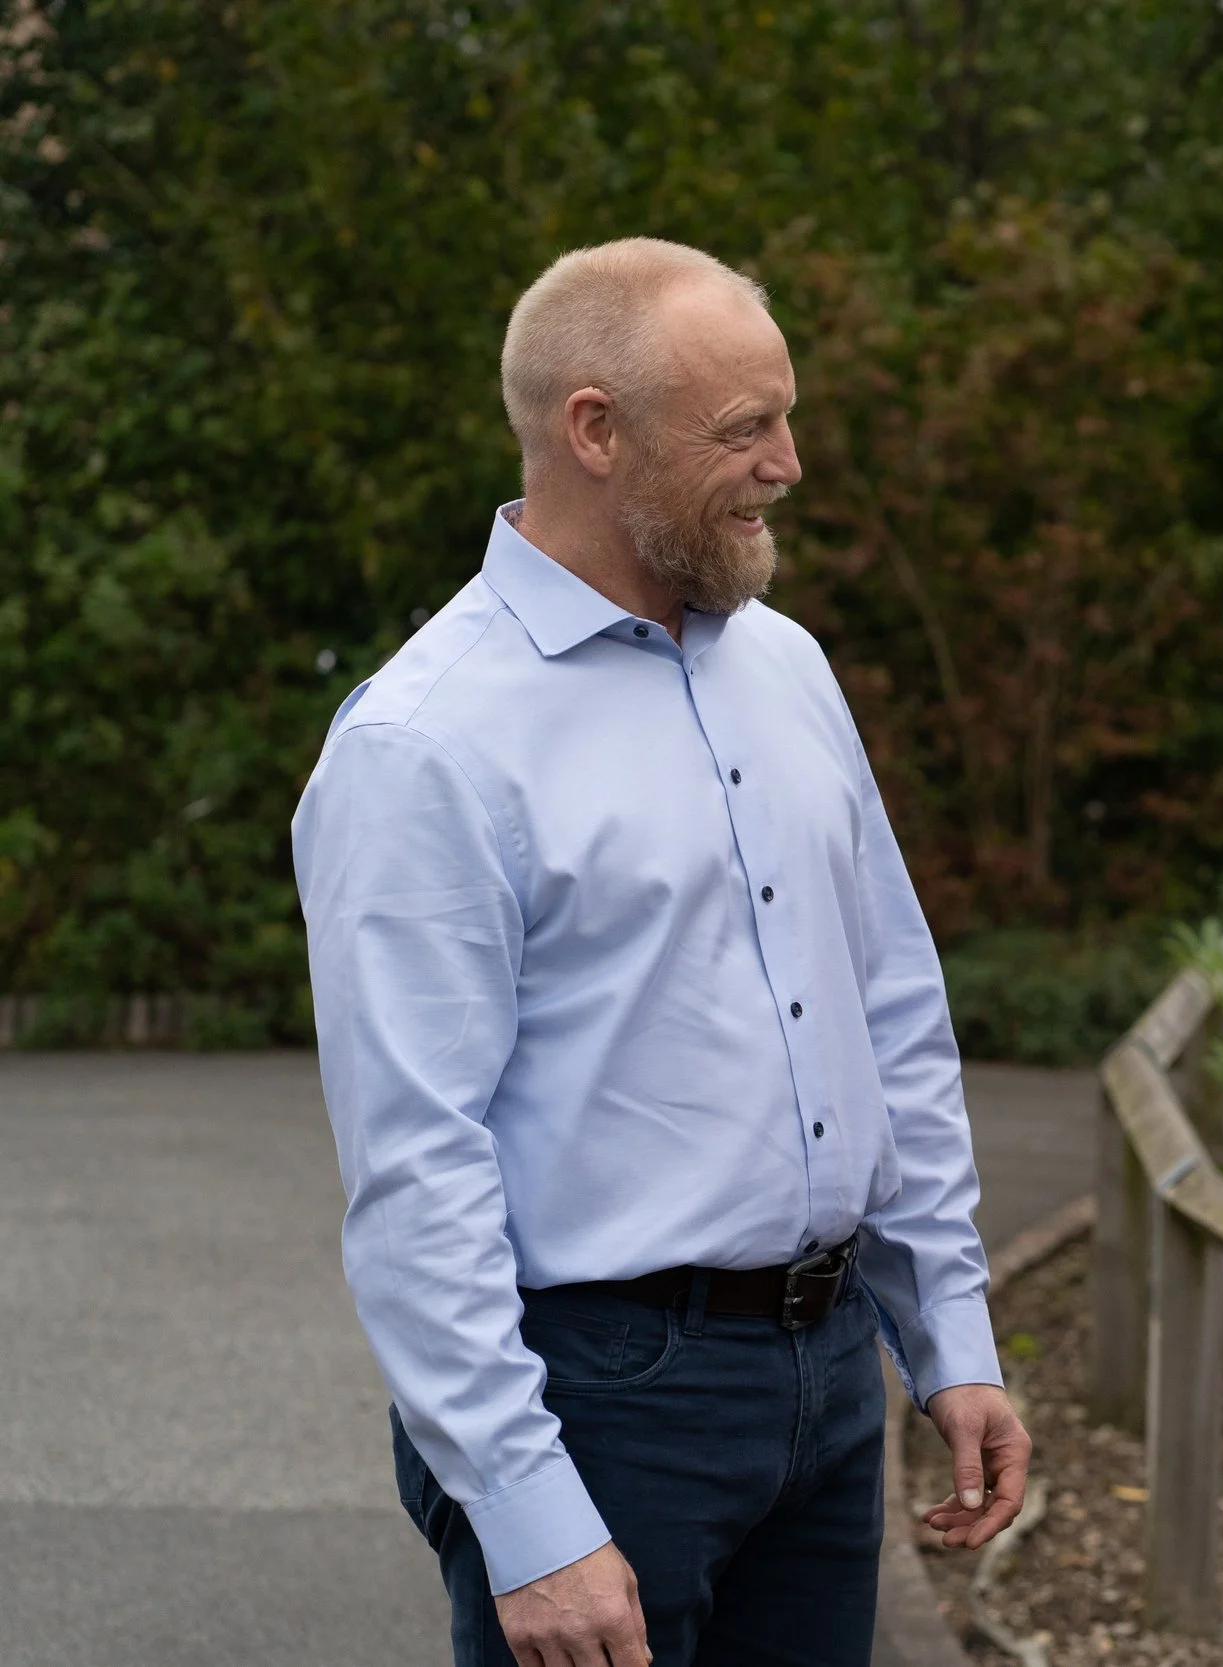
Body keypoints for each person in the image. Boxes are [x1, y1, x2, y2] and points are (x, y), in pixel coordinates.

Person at [293, 237, 1028, 1667]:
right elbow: (415, 1167)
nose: (791, 462)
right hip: (601, 1403)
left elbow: (892, 1013)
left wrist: (950, 1332)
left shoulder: (788, 665)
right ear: (594, 430)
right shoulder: (424, 744)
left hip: (825, 1381)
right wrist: (527, 1514)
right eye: (746, 427)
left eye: (787, 415)